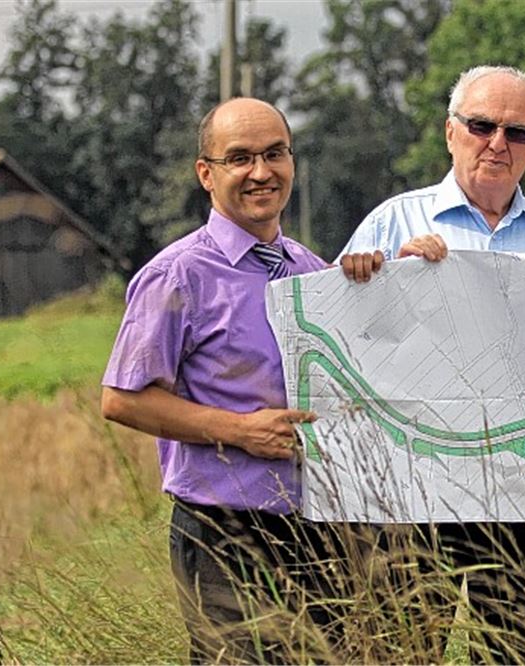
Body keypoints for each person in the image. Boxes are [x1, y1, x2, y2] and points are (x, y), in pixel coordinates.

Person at [336, 65, 525, 665]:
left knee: (510, 657)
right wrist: (395, 283)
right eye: (482, 125)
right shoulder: (392, 224)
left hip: (521, 500)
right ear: (450, 132)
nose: (498, 143)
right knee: (401, 656)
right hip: (412, 500)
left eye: (517, 132)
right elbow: (341, 350)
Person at [100, 97, 371, 664]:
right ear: (207, 173)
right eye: (239, 158)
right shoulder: (178, 274)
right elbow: (122, 399)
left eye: (275, 154)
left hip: (317, 531)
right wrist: (239, 431)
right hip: (226, 535)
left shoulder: (308, 270)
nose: (261, 172)